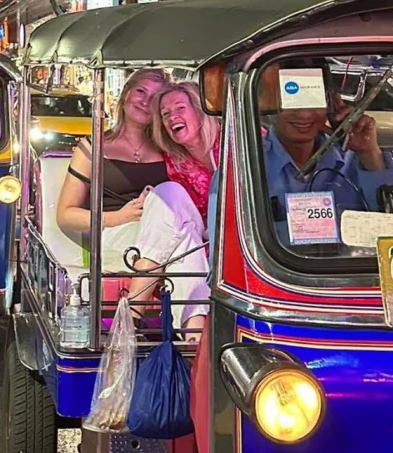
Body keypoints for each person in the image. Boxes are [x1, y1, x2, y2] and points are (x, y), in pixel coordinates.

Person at [56, 68, 210, 341]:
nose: (144, 101)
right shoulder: (94, 147)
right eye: (141, 91)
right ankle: (194, 335)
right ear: (126, 94)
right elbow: (65, 215)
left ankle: (138, 319)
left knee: (173, 206)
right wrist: (119, 217)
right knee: (183, 236)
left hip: (164, 232)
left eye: (154, 99)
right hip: (115, 232)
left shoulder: (168, 148)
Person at [207, 93, 393, 259]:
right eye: (290, 101)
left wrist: (369, 153)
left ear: (331, 103)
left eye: (313, 99)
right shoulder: (241, 172)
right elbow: (226, 266)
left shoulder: (359, 160)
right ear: (267, 104)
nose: (304, 114)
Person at [152, 81, 221, 225]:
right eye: (165, 113)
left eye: (180, 108)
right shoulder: (174, 162)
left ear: (199, 110)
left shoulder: (235, 137)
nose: (172, 117)